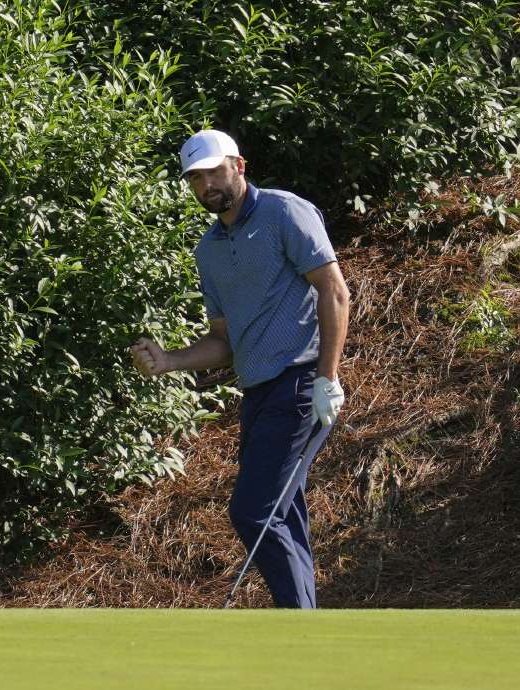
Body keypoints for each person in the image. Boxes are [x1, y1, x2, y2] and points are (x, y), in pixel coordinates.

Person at [130, 129, 350, 608]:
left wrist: (327, 378)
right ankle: (310, 630)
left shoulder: (284, 211)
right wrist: (170, 361)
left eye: (213, 171)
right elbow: (222, 343)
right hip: (257, 393)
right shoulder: (208, 251)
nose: (207, 184)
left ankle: (299, 630)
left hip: (299, 383)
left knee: (254, 512)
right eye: (196, 178)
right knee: (282, 510)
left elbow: (334, 292)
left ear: (239, 166)